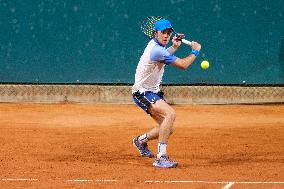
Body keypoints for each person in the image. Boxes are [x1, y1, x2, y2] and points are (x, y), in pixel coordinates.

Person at [132, 18, 201, 168]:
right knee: (170, 114)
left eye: (169, 33)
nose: (166, 36)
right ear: (155, 33)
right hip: (142, 92)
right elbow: (183, 65)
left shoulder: (157, 47)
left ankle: (141, 140)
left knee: (167, 128)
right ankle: (161, 158)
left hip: (152, 91)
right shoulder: (156, 50)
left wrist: (174, 47)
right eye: (163, 32)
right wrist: (195, 51)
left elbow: (162, 56)